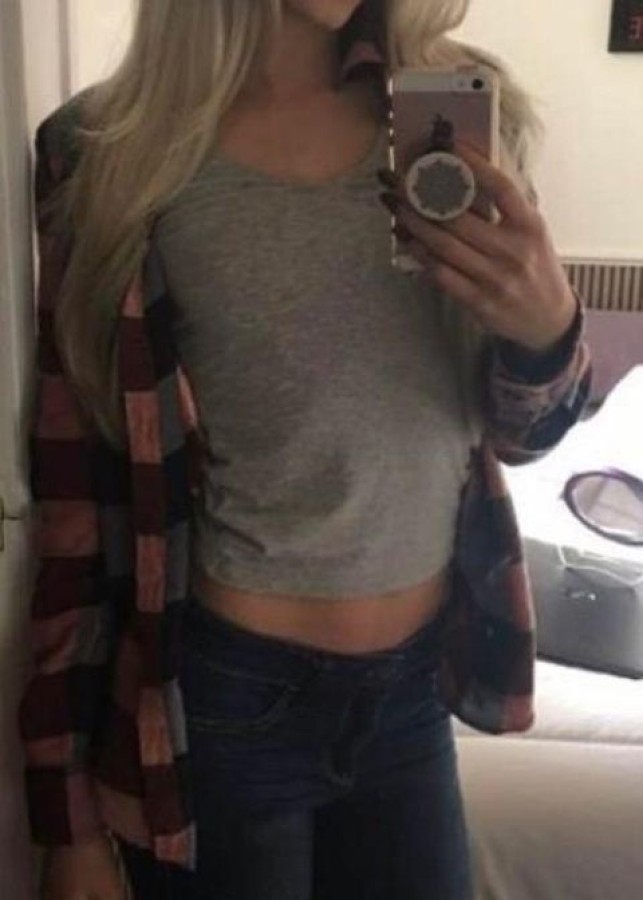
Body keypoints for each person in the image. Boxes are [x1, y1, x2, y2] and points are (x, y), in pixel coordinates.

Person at [19, 1, 592, 898]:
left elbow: (523, 438)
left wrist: (546, 334)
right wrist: (70, 820)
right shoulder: (103, 150)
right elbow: (77, 498)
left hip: (412, 697)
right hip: (226, 701)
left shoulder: (461, 109)